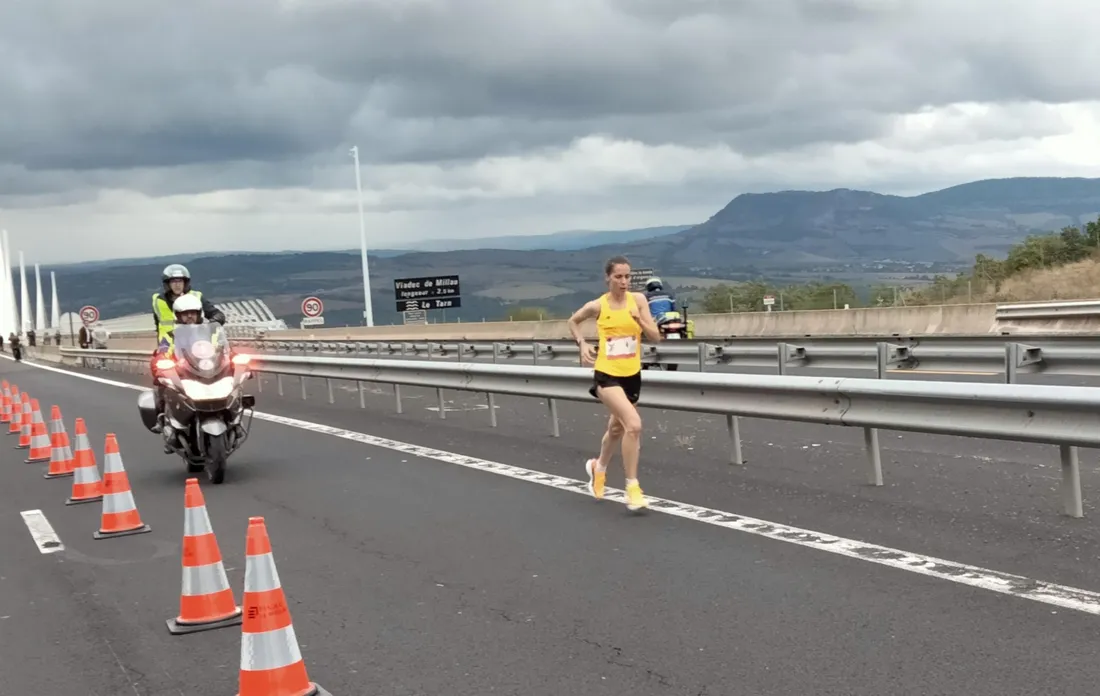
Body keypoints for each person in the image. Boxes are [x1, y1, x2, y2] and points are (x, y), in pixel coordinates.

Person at [567, 255, 661, 512]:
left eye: (627, 276)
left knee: (617, 429)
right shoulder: (597, 306)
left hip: (632, 374)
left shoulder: (638, 301)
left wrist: (639, 320)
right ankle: (632, 487)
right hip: (606, 374)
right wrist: (582, 343)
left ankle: (598, 468)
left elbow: (656, 337)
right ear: (608, 278)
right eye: (618, 277)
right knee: (634, 425)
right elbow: (573, 322)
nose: (624, 281)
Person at [151, 264, 225, 429]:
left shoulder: (197, 296)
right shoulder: (158, 301)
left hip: (199, 343)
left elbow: (215, 313)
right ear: (167, 284)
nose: (177, 284)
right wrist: (162, 348)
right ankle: (162, 417)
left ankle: (229, 409)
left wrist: (216, 320)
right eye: (173, 281)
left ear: (186, 282)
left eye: (180, 281)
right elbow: (158, 324)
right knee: (162, 377)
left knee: (222, 368)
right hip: (171, 344)